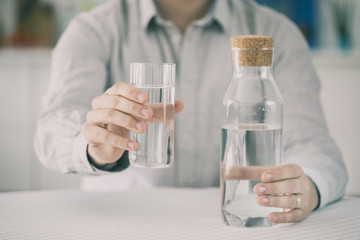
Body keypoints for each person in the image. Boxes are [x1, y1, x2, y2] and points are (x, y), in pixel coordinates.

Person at [34, 0, 348, 224]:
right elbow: (51, 131)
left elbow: (317, 150)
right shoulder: (94, 29)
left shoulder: (275, 32)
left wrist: (306, 186)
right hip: (122, 224)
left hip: (237, 225)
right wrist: (94, 145)